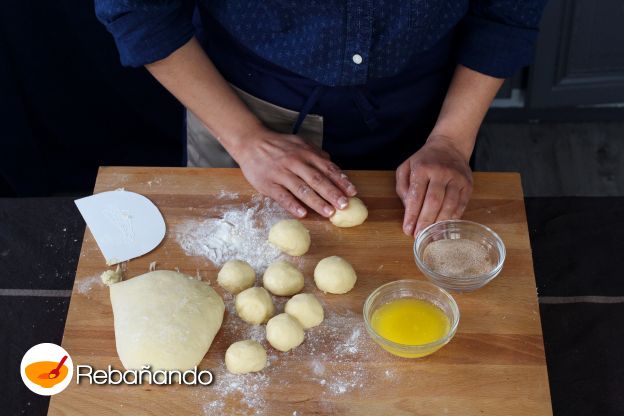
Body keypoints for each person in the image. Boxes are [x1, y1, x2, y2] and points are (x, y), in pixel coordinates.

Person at [95, 1, 546, 237]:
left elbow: (507, 13)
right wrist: (246, 138)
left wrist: (451, 139)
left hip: (430, 111)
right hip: (247, 107)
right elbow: (139, 10)